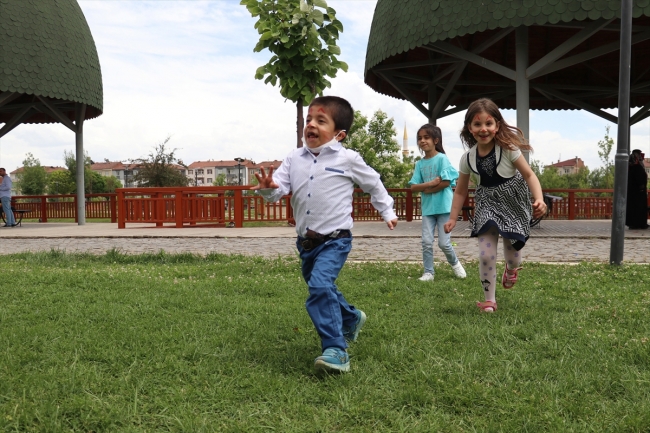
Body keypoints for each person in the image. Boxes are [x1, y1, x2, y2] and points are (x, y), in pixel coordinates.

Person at [253, 96, 398, 373]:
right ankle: (351, 318)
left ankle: (336, 350)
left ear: (339, 134)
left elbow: (374, 184)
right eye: (309, 119)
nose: (311, 125)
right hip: (306, 243)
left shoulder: (348, 158)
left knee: (319, 287)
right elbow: (277, 191)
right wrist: (268, 187)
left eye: (321, 120)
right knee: (322, 288)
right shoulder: (294, 158)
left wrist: (387, 211)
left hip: (336, 239)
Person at [443, 98, 546, 313]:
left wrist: (539, 199)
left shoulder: (508, 150)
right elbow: (461, 190)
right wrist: (453, 217)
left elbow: (529, 174)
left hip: (513, 202)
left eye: (488, 123)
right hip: (487, 202)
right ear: (469, 128)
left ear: (497, 126)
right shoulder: (467, 159)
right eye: (477, 124)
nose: (483, 129)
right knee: (486, 254)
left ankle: (512, 269)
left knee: (513, 255)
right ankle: (489, 300)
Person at [408, 124, 466, 282]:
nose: (422, 141)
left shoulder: (442, 158)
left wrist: (428, 190)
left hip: (444, 207)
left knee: (444, 243)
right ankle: (428, 272)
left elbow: (446, 182)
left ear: (435, 140)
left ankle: (455, 264)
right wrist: (430, 183)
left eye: (426, 137)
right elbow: (413, 187)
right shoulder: (419, 164)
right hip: (428, 209)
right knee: (426, 241)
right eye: (420, 138)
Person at [626, 149, 649, 230]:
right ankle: (639, 224)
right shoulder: (637, 167)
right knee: (639, 208)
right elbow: (640, 179)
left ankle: (633, 223)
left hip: (633, 193)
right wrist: (642, 187)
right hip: (639, 193)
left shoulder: (630, 167)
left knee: (633, 208)